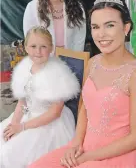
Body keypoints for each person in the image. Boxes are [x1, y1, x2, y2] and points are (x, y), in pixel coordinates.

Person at [28, 0, 136, 168]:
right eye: (95, 27)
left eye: (109, 25)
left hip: (117, 155)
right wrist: (76, 143)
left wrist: (88, 158)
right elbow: (85, 109)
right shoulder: (93, 63)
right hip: (85, 147)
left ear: (126, 28)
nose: (101, 34)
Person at [0, 26, 80, 168]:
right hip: (28, 116)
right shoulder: (25, 67)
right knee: (4, 140)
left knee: (10, 152)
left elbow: (55, 112)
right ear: (26, 47)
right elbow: (22, 102)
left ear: (51, 48)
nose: (38, 51)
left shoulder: (57, 73)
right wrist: (14, 124)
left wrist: (22, 127)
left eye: (43, 46)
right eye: (33, 46)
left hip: (50, 123)